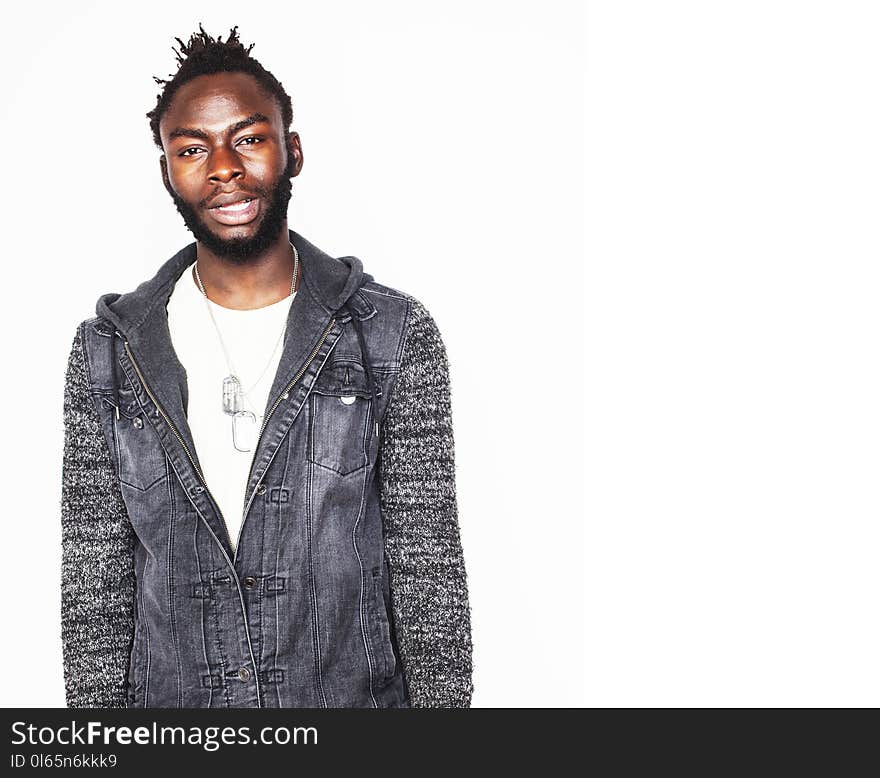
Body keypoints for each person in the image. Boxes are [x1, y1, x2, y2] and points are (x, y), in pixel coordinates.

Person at [60, 25, 473, 709]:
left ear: (293, 152)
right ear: (169, 172)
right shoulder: (109, 352)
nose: (223, 166)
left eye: (248, 138)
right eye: (192, 149)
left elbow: (428, 577)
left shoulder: (392, 335)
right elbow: (95, 595)